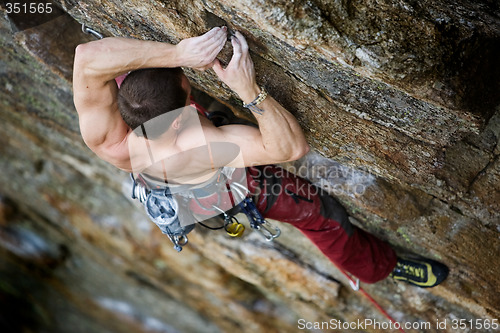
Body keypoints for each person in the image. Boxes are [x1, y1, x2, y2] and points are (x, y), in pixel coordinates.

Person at [73, 27, 448, 287]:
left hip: (165, 172)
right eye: (181, 73)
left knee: (143, 88)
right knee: (321, 216)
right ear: (185, 98)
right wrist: (248, 90)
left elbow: (87, 56)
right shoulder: (201, 145)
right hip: (224, 182)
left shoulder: (106, 133)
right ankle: (381, 268)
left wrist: (176, 53)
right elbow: (288, 149)